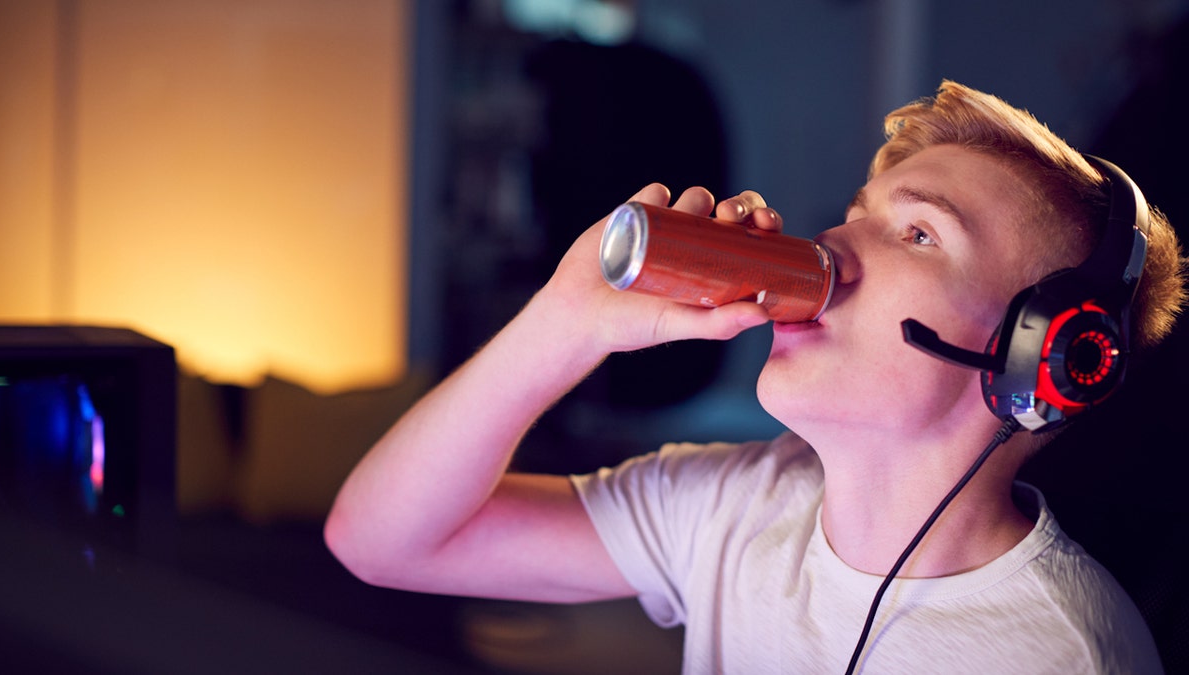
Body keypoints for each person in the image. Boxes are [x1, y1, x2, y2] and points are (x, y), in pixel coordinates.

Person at [325, 81, 1185, 672]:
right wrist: (565, 318)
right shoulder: (735, 508)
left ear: (1038, 354)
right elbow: (379, 540)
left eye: (918, 234)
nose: (830, 248)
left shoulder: (1061, 653)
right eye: (855, 218)